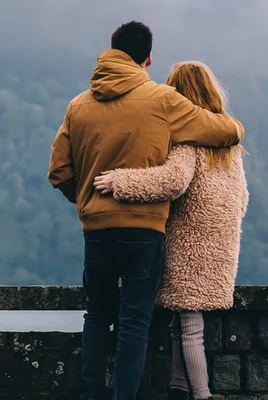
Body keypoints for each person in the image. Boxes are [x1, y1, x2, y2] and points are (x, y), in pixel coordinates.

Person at [47, 21, 244, 400]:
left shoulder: (78, 105)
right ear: (148, 58)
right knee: (135, 321)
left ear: (112, 52)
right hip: (144, 231)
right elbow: (222, 131)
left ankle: (91, 392)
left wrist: (89, 200)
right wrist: (235, 126)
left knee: (97, 314)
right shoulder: (163, 100)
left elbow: (59, 171)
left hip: (96, 231)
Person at [93, 61, 249, 400]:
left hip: (189, 245)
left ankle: (203, 395)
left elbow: (172, 181)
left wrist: (120, 180)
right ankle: (179, 388)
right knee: (184, 324)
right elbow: (242, 198)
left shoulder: (188, 140)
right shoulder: (228, 147)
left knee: (190, 326)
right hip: (221, 247)